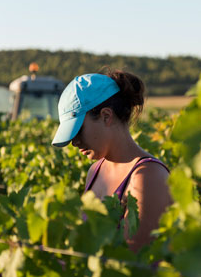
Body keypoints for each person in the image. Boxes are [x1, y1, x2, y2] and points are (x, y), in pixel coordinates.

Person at [51, 70, 172, 252]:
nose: (74, 142)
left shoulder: (148, 176)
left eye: (77, 130)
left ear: (106, 116)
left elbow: (131, 263)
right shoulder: (95, 171)